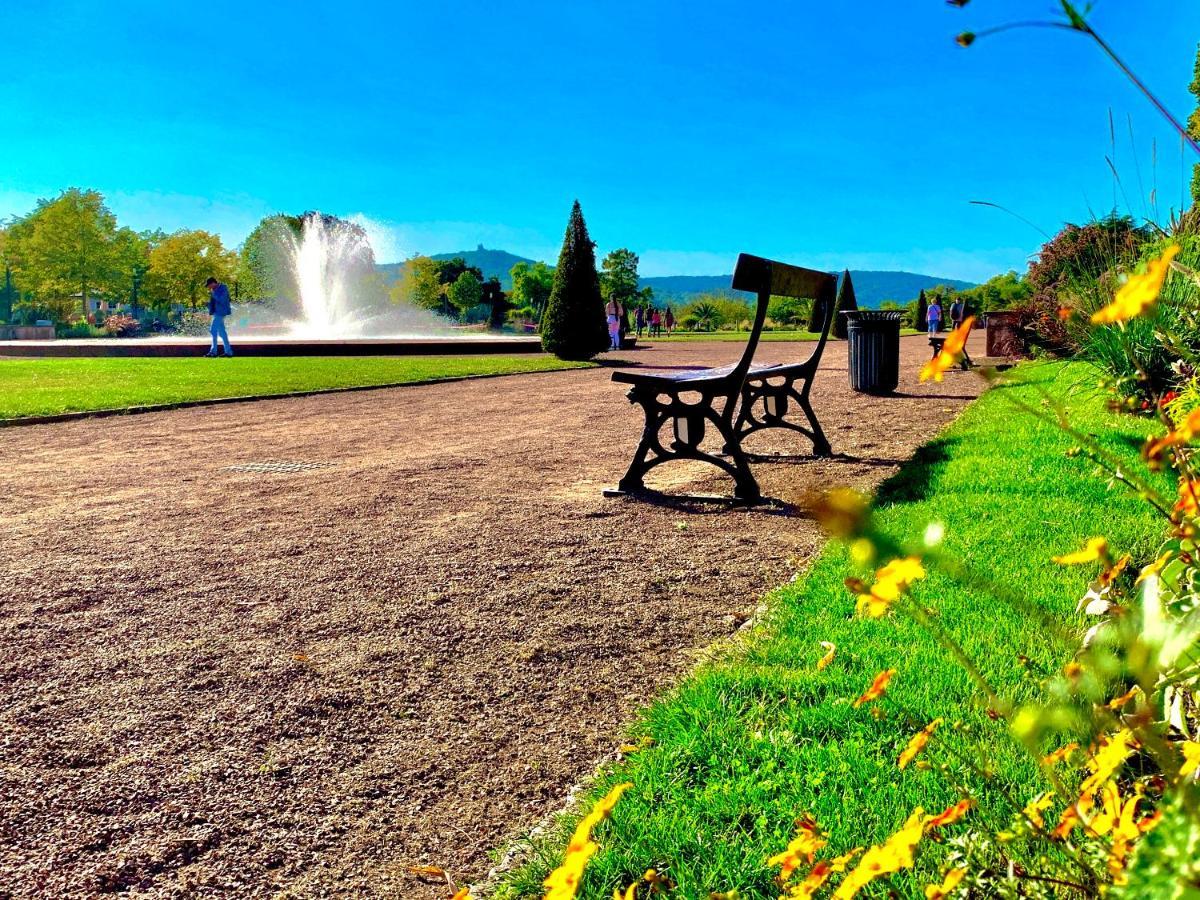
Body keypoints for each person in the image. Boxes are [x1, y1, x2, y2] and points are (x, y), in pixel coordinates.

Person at [205, 277, 234, 357]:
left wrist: (213, 295)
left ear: (213, 283)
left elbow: (222, 300)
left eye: (209, 285)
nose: (209, 287)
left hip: (221, 312)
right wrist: (208, 304)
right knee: (222, 333)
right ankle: (228, 352)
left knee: (213, 330)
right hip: (216, 313)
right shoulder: (213, 290)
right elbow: (215, 302)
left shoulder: (223, 288)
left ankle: (213, 352)